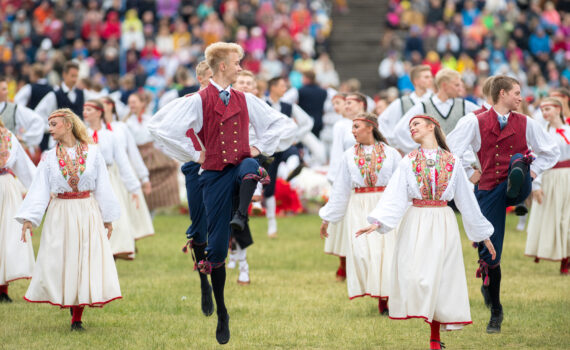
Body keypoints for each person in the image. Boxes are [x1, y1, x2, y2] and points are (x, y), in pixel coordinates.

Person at [148, 42, 296, 344]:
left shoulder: (246, 99)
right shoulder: (197, 100)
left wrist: (259, 146)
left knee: (251, 165)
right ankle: (222, 311)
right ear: (224, 66)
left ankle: (241, 215)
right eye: (237, 62)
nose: (241, 67)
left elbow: (283, 125)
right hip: (213, 173)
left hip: (241, 165)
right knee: (215, 250)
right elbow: (159, 129)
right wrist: (194, 154)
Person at [357, 114, 496, 350]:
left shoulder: (452, 161)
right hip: (417, 220)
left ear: (432, 127)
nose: (412, 129)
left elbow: (466, 200)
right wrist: (378, 221)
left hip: (443, 220)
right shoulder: (408, 161)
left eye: (416, 124)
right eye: (410, 126)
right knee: (418, 276)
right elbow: (396, 195)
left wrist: (483, 234)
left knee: (440, 277)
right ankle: (428, 325)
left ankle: (434, 338)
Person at [447, 76, 559, 333]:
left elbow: (551, 151)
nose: (521, 98)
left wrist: (534, 172)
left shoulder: (527, 122)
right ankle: (495, 306)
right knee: (490, 252)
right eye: (517, 92)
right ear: (502, 93)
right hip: (488, 189)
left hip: (517, 187)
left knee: (520, 160)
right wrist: (467, 170)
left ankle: (519, 173)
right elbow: (451, 149)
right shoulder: (473, 121)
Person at [16, 108, 122, 331]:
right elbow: (39, 189)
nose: (50, 129)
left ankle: (77, 317)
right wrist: (29, 218)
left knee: (84, 258)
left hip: (86, 209)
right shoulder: (49, 157)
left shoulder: (93, 153)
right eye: (50, 124)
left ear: (68, 124)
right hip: (60, 212)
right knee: (64, 259)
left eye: (54, 124)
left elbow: (103, 185)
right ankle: (68, 301)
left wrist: (108, 218)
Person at [319, 112, 400, 314]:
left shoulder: (392, 154)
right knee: (362, 253)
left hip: (384, 204)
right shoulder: (349, 155)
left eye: (356, 126)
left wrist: (401, 211)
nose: (352, 131)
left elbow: (401, 185)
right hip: (358, 207)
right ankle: (377, 292)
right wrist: (328, 217)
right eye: (352, 127)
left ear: (370, 127)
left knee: (385, 253)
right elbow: (340, 188)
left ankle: (386, 299)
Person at [84, 99, 141, 259]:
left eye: (89, 109)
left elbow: (123, 162)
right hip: (88, 181)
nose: (85, 113)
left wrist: (134, 188)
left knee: (114, 218)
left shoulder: (110, 136)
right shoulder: (82, 135)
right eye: (84, 109)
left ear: (99, 112)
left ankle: (112, 255)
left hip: (108, 179)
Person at [264, 76, 314, 238]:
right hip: (270, 149)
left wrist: (296, 138)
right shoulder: (263, 104)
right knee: (269, 186)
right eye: (281, 86)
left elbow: (307, 122)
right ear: (272, 87)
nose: (285, 89)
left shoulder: (288, 106)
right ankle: (272, 224)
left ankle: (292, 175)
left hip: (285, 146)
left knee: (293, 156)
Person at [525, 98, 570, 274]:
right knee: (556, 216)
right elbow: (536, 159)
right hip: (551, 177)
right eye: (542, 110)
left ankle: (567, 257)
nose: (545, 113)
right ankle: (561, 255)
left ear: (558, 109)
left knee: (568, 216)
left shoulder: (568, 130)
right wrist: (535, 185)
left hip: (568, 176)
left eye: (548, 109)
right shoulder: (542, 133)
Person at [325, 92, 366, 281]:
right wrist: (334, 179)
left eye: (351, 103)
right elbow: (336, 152)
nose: (346, 106)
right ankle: (344, 265)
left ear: (362, 104)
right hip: (346, 179)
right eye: (345, 103)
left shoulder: (373, 122)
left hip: (368, 180)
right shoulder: (341, 125)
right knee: (344, 222)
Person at [101, 96, 154, 241]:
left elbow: (133, 153)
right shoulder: (94, 131)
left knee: (125, 208)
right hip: (104, 173)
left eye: (104, 103)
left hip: (123, 173)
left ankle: (125, 239)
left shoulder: (121, 127)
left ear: (111, 106)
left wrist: (144, 177)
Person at [392, 68, 480, 153]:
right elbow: (399, 130)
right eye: (456, 85)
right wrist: (418, 148)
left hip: (460, 163)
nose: (460, 89)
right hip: (432, 162)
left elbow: (486, 118)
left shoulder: (464, 104)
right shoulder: (424, 106)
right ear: (444, 86)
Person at [124, 91, 180, 214]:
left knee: (153, 185)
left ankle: (150, 215)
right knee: (137, 184)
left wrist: (171, 157)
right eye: (129, 103)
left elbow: (160, 141)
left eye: (133, 102)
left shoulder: (150, 120)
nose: (131, 105)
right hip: (134, 155)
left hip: (151, 155)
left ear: (142, 103)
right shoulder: (126, 122)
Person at [0, 120, 36, 303]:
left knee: (7, 235)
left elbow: (24, 166)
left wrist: (42, 191)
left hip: (5, 185)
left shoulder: (8, 137)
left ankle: (2, 288)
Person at [35, 62, 96, 150]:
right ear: (64, 75)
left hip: (79, 143)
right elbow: (38, 115)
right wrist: (52, 128)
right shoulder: (54, 95)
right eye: (72, 76)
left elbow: (96, 105)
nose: (75, 79)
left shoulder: (83, 94)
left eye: (76, 76)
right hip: (59, 144)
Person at [378, 65, 434, 144]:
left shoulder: (435, 99)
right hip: (410, 150)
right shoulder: (402, 102)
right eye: (426, 77)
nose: (430, 79)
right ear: (416, 81)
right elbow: (382, 120)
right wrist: (395, 143)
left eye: (431, 77)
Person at [0, 76, 44, 151]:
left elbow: (37, 120)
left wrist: (25, 138)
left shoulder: (14, 108)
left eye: (6, 88)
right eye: (4, 89)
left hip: (9, 154)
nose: (7, 92)